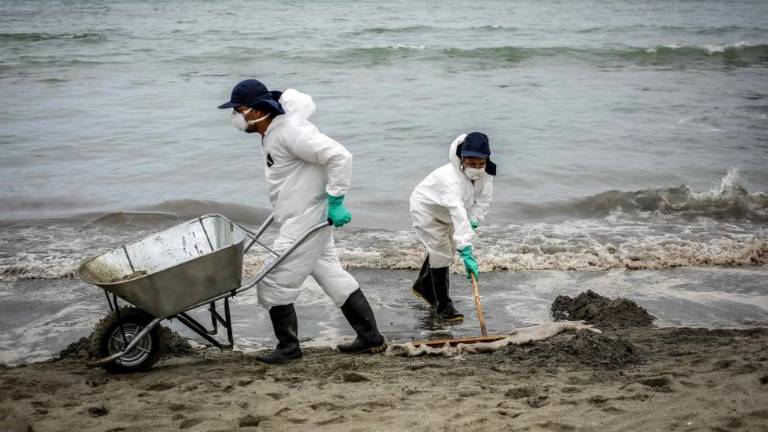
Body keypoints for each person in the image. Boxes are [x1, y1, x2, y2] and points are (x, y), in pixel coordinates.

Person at [219, 79, 386, 364]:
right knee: (331, 275)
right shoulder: (272, 132)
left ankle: (288, 348)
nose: (235, 116)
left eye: (239, 110)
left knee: (273, 279)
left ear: (257, 110)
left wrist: (336, 200)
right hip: (299, 216)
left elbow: (339, 156)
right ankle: (371, 338)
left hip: (306, 219)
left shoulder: (290, 132)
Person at [409, 132, 495, 321]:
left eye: (481, 163)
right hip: (427, 209)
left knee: (447, 248)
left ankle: (422, 285)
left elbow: (484, 200)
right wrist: (466, 247)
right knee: (441, 252)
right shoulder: (450, 179)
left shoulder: (486, 173)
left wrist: (474, 220)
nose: (477, 168)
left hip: (449, 211)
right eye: (472, 163)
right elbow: (457, 210)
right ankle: (444, 305)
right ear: (462, 158)